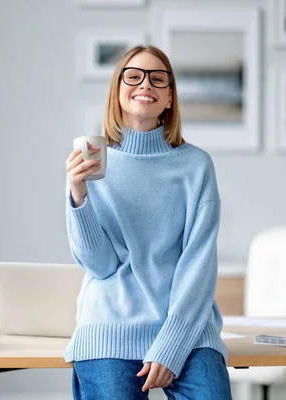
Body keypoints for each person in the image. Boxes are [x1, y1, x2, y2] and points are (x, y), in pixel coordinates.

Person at [64, 44, 232, 400]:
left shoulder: (195, 166)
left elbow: (198, 265)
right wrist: (78, 194)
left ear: (169, 97)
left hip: (186, 327)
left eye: (158, 78)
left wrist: (171, 345)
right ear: (118, 90)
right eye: (134, 76)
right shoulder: (92, 162)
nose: (146, 84)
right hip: (110, 323)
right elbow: (101, 266)